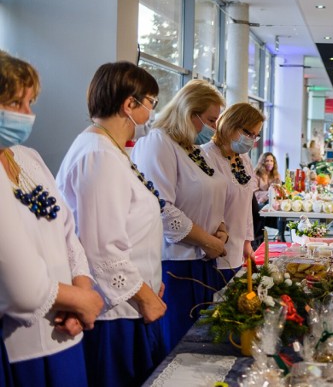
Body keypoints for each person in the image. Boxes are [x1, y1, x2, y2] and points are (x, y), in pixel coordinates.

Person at [56, 62, 168, 387]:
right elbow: (102, 249)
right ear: (128, 104)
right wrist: (144, 296)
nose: (152, 112)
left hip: (132, 303)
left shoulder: (112, 152)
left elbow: (131, 227)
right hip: (115, 315)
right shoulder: (98, 156)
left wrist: (149, 282)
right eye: (151, 102)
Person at [0, 52, 103, 386]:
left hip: (67, 331)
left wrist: (80, 294)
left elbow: (67, 231)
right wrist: (83, 301)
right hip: (19, 346)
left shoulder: (27, 157)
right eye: (16, 103)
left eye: (30, 103)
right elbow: (22, 289)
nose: (28, 115)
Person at [130, 79, 228, 352]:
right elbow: (161, 207)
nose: (213, 128)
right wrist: (208, 241)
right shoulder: (159, 143)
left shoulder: (194, 149)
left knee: (205, 343)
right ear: (188, 113)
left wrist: (221, 230)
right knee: (181, 347)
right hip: (177, 263)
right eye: (209, 120)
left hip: (205, 259)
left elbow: (213, 194)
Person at [201, 102, 265, 281]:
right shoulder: (206, 156)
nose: (251, 140)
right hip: (214, 249)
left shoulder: (244, 160)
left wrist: (247, 241)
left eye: (255, 136)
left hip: (238, 250)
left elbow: (246, 208)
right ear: (230, 124)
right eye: (247, 133)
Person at [252, 152, 284, 244]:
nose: (269, 163)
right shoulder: (256, 174)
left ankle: (281, 236)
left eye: (271, 161)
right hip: (259, 203)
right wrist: (269, 193)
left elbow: (278, 191)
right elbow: (254, 193)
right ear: (262, 162)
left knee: (281, 211)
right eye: (267, 161)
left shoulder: (276, 175)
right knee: (262, 210)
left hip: (273, 203)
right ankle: (258, 239)